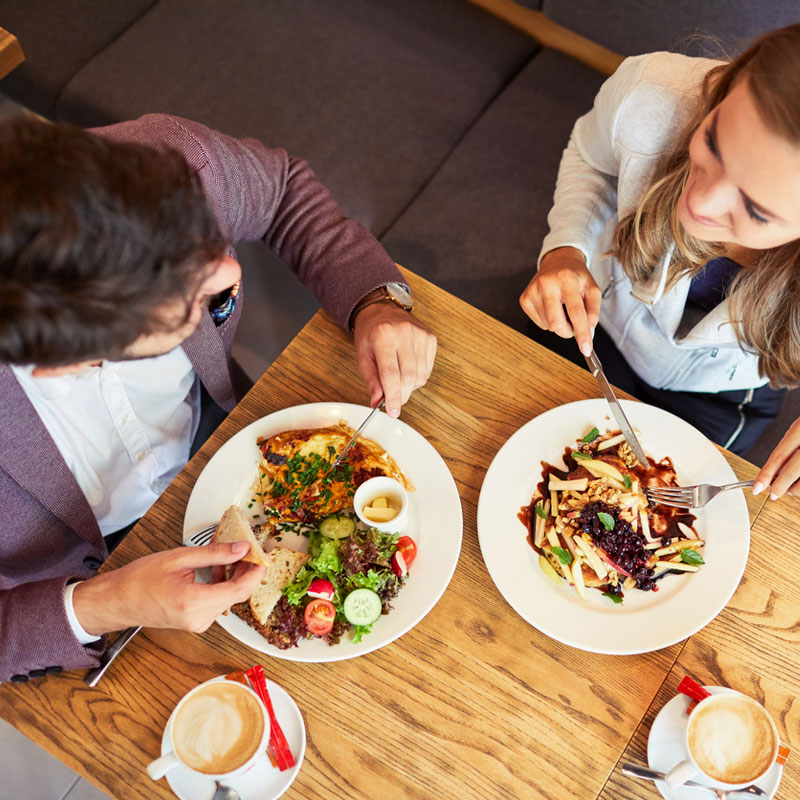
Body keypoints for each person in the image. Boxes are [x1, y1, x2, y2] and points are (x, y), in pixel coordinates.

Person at [0, 113, 436, 682]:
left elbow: (282, 193)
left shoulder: (174, 164)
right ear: (66, 364)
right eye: (186, 305)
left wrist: (373, 301)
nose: (230, 268)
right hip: (74, 593)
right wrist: (104, 604)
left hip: (232, 439)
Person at [520, 23, 800, 499]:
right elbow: (591, 158)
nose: (701, 206)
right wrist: (565, 248)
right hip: (595, 325)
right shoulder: (650, 93)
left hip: (719, 398)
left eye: (755, 210)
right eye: (713, 143)